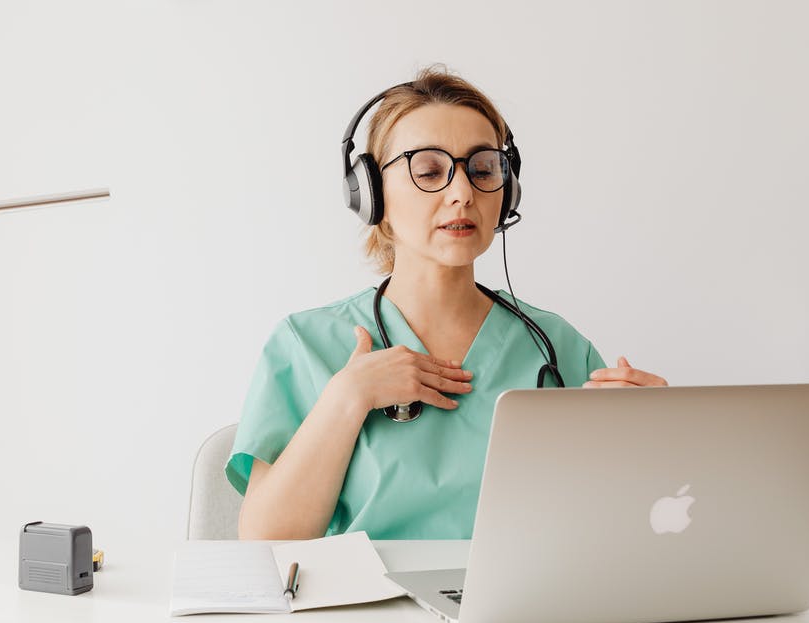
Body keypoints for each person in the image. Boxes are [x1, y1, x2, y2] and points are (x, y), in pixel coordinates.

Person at [226, 67, 668, 541]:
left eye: (482, 169)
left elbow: (617, 533)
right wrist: (348, 397)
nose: (462, 193)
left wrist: (652, 440)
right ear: (371, 193)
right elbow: (266, 543)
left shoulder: (558, 347)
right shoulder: (306, 345)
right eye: (429, 171)